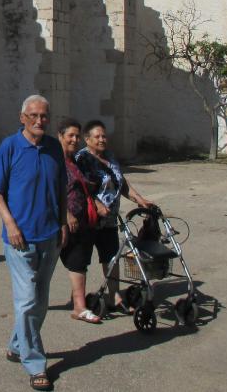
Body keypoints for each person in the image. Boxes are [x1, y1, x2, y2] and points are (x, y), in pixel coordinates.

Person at [0, 95, 67, 392]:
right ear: (22, 117)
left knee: (40, 301)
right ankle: (35, 365)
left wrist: (63, 222)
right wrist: (10, 225)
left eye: (44, 115)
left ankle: (16, 344)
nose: (39, 120)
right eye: (33, 115)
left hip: (49, 236)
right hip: (19, 239)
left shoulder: (54, 148)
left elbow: (61, 188)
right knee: (27, 301)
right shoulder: (10, 147)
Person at [75, 119, 153, 314]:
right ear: (87, 139)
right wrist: (97, 204)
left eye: (104, 136)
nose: (102, 139)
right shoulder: (82, 159)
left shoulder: (109, 156)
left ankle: (114, 297)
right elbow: (79, 187)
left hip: (109, 220)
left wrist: (139, 199)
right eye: (97, 136)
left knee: (111, 257)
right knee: (81, 261)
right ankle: (79, 302)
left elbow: (121, 182)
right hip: (89, 219)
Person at [56, 117, 106, 324]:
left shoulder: (73, 160)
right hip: (65, 220)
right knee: (46, 265)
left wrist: (96, 202)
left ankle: (79, 305)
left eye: (77, 136)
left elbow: (82, 186)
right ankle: (30, 302)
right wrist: (66, 214)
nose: (75, 140)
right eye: (70, 135)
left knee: (78, 262)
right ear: (60, 136)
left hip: (82, 220)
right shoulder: (55, 161)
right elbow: (52, 190)